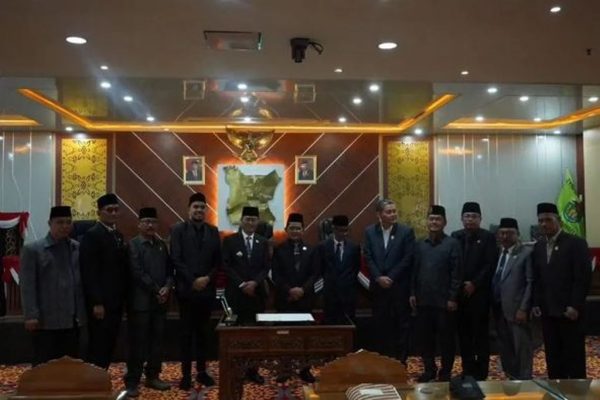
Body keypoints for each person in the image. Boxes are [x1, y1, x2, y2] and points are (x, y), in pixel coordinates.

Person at [20, 206, 86, 366]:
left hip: (72, 319)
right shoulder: (33, 250)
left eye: (68, 222)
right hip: (45, 321)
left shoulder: (76, 248)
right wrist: (31, 315)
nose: (65, 226)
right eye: (60, 222)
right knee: (44, 365)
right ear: (50, 223)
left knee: (70, 364)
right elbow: (28, 285)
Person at [532, 202, 591, 379]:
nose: (544, 224)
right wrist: (536, 303)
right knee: (553, 356)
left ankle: (577, 392)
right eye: (540, 221)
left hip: (569, 312)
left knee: (573, 358)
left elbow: (582, 278)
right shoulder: (538, 246)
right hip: (548, 311)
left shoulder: (576, 243)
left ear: (559, 220)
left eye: (548, 220)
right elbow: (537, 278)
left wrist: (575, 305)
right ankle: (556, 390)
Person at [170, 193, 221, 390]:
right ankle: (185, 375)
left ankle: (201, 372)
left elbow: (217, 262)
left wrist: (207, 278)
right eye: (195, 207)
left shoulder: (213, 231)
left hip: (206, 291)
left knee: (203, 334)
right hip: (187, 291)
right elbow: (176, 259)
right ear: (189, 210)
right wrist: (193, 280)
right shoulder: (178, 230)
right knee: (186, 335)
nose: (199, 210)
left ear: (206, 210)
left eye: (202, 207)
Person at [124, 208, 174, 397]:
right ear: (139, 224)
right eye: (146, 221)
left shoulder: (161, 245)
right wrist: (156, 290)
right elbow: (137, 273)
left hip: (160, 303)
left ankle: (153, 376)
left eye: (153, 221)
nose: (150, 225)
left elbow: (170, 270)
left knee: (157, 342)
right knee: (138, 344)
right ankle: (132, 381)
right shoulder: (133, 245)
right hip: (141, 304)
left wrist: (167, 287)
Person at [410, 205, 461, 382]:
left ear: (444, 222)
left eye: (438, 219)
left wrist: (453, 297)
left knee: (446, 340)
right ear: (427, 222)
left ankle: (445, 372)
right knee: (425, 340)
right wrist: (412, 293)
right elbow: (414, 271)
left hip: (444, 303)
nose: (434, 222)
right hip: (423, 301)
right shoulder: (419, 244)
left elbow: (456, 273)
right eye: (431, 219)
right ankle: (429, 370)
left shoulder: (452, 244)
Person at [80, 193, 129, 369]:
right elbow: (89, 271)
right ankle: (93, 381)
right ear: (99, 212)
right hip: (100, 304)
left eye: (116, 210)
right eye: (109, 210)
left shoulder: (118, 235)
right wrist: (97, 302)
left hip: (115, 302)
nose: (114, 213)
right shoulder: (92, 235)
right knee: (98, 344)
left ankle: (101, 377)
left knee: (110, 343)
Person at [222, 206, 270, 384]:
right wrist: (242, 284)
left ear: (258, 222)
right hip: (236, 294)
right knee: (237, 334)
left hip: (256, 295)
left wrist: (254, 283)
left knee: (255, 334)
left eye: (253, 219)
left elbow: (266, 267)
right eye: (247, 219)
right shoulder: (230, 241)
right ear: (241, 221)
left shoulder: (262, 242)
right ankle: (237, 369)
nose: (250, 222)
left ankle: (253, 370)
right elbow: (226, 266)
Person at [363, 199, 415, 362]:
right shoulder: (370, 232)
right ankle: (382, 360)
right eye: (389, 212)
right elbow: (368, 257)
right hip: (379, 288)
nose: (393, 214)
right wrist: (378, 277)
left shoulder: (406, 232)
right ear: (379, 214)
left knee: (401, 325)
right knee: (380, 325)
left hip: (398, 286)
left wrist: (391, 277)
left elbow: (408, 258)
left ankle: (401, 361)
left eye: (394, 211)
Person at [451, 202, 496, 380]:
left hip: (480, 295)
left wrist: (474, 283)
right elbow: (453, 263)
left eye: (474, 216)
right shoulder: (455, 236)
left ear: (480, 218)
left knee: (481, 335)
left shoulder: (488, 237)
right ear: (462, 218)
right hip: (460, 294)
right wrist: (459, 285)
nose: (470, 219)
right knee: (464, 335)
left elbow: (490, 264)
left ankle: (482, 372)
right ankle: (468, 370)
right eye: (467, 216)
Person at [271, 213, 319, 383]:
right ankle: (284, 369)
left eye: (298, 228)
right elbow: (276, 275)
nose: (295, 231)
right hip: (285, 300)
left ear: (303, 230)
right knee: (285, 336)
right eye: (292, 228)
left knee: (305, 336)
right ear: (286, 229)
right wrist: (290, 290)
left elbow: (315, 274)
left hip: (305, 300)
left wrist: (302, 290)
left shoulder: (311, 250)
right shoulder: (279, 249)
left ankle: (305, 370)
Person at [491, 217, 534, 380]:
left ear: (517, 234)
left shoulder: (526, 253)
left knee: (521, 347)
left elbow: (530, 283)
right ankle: (511, 377)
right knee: (505, 346)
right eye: (502, 233)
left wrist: (523, 308)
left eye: (509, 233)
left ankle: (525, 379)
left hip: (516, 309)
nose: (505, 236)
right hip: (498, 308)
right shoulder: (497, 252)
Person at [316, 215, 361, 325]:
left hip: (348, 296)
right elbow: (319, 269)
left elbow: (356, 268)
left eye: (346, 230)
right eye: (341, 231)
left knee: (348, 326)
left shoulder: (354, 247)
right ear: (333, 229)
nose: (344, 234)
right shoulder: (323, 246)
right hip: (330, 295)